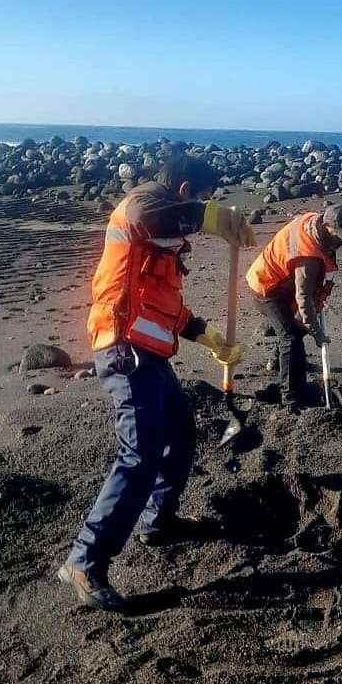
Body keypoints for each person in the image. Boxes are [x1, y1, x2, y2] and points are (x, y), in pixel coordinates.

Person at [58, 155, 256, 611]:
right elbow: (148, 216)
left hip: (148, 355)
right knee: (140, 453)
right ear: (185, 190)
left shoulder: (162, 246)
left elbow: (167, 307)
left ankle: (157, 520)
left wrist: (209, 339)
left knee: (181, 434)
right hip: (122, 346)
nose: (199, 215)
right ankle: (85, 560)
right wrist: (214, 217)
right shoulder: (143, 206)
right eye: (201, 200)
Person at [245, 204, 342, 413]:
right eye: (340, 235)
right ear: (326, 226)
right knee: (291, 338)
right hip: (266, 286)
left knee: (295, 327)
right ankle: (292, 401)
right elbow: (304, 298)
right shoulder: (308, 259)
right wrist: (318, 334)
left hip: (284, 280)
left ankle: (277, 363)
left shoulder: (315, 224)